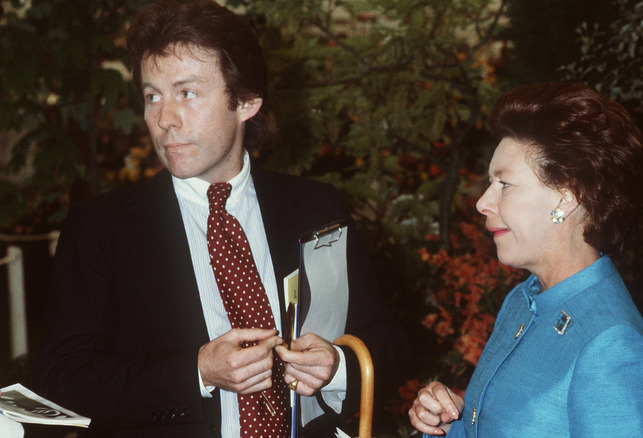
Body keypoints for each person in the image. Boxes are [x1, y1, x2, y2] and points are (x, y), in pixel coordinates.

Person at [34, 1, 408, 437]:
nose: (164, 120)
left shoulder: (315, 206)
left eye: (187, 93)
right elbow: (61, 380)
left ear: (246, 101)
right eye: (152, 96)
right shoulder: (101, 228)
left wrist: (337, 364)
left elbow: (388, 343)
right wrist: (197, 373)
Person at [409, 82, 643, 437]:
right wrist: (451, 422)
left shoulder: (613, 345)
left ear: (565, 199)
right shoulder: (523, 300)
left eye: (505, 184)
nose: (482, 203)